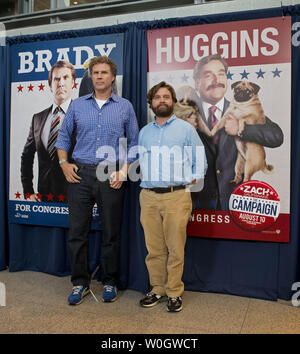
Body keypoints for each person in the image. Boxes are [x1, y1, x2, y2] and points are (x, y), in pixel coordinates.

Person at [56, 56, 139, 305]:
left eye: (104, 72)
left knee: (111, 233)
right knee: (77, 232)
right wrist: (63, 164)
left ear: (113, 77)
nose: (100, 76)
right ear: (91, 77)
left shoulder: (125, 106)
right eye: (95, 73)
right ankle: (79, 283)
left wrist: (124, 171)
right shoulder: (78, 105)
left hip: (110, 173)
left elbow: (134, 143)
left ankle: (110, 281)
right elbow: (63, 137)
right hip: (80, 173)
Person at [177, 54, 284, 210]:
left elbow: (276, 136)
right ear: (197, 83)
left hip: (235, 203)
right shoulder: (184, 114)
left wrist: (243, 129)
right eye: (208, 75)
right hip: (197, 203)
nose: (216, 80)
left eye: (221, 74)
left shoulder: (241, 109)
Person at [138, 81, 207, 312]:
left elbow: (200, 159)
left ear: (173, 101)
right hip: (148, 197)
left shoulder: (185, 129)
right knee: (154, 249)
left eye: (166, 97)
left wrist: (193, 178)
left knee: (176, 248)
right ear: (151, 103)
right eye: (157, 97)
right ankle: (157, 288)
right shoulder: (144, 132)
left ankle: (174, 292)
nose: (162, 101)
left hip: (176, 196)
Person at [21, 60, 76, 203]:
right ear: (50, 85)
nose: (61, 83)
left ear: (73, 83)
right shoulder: (37, 119)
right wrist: (28, 192)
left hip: (75, 197)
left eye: (65, 78)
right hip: (44, 198)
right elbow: (26, 157)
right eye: (56, 79)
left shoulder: (84, 115)